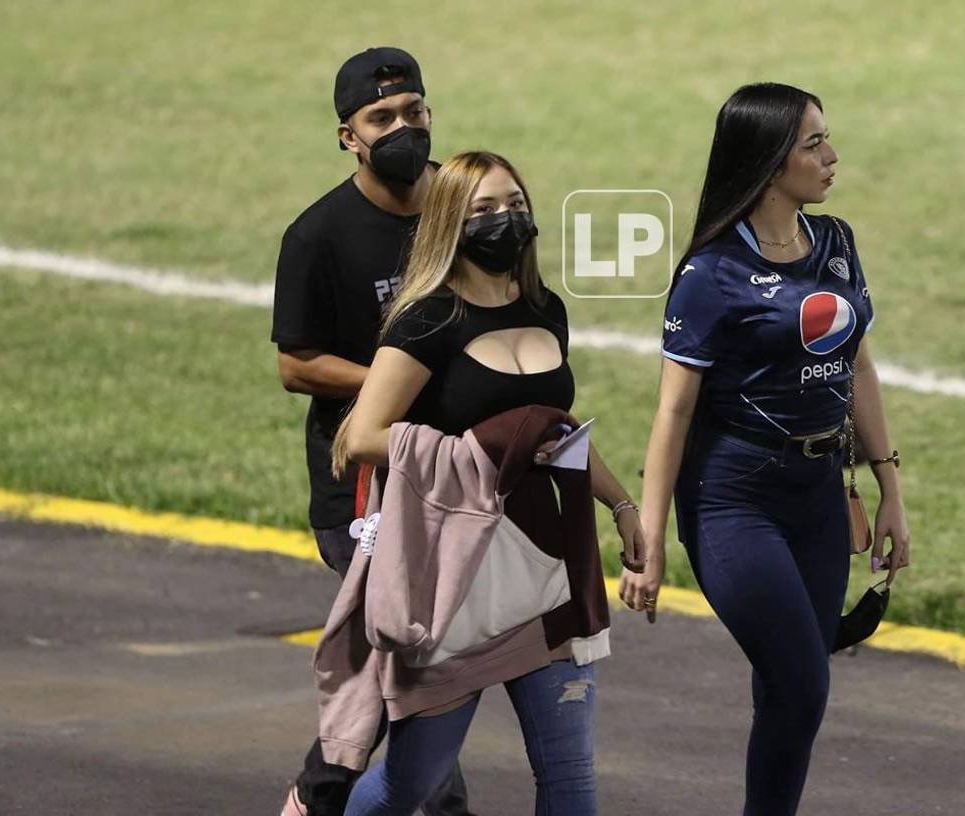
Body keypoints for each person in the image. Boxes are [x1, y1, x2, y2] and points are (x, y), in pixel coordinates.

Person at [620, 83, 912, 815]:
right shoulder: (709, 274)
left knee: (790, 691)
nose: (831, 155)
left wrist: (891, 489)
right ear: (767, 159)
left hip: (817, 496)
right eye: (813, 143)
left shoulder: (837, 243)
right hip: (733, 499)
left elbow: (860, 368)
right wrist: (649, 539)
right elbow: (673, 411)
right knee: (802, 682)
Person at [329, 150, 645, 815]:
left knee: (572, 785)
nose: (506, 220)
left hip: (547, 567)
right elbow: (359, 437)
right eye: (484, 210)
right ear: (450, 221)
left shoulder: (545, 308)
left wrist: (620, 503)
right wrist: (474, 451)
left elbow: (552, 433)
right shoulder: (428, 321)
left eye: (516, 205)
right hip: (455, 579)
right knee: (410, 787)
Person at [270, 46, 473, 816]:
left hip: (453, 469)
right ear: (347, 136)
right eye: (380, 118)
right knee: (409, 651)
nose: (402, 129)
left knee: (421, 658)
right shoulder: (318, 235)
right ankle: (327, 799)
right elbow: (296, 363)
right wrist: (401, 379)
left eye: (414, 111)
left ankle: (360, 799)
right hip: (361, 478)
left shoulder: (461, 209)